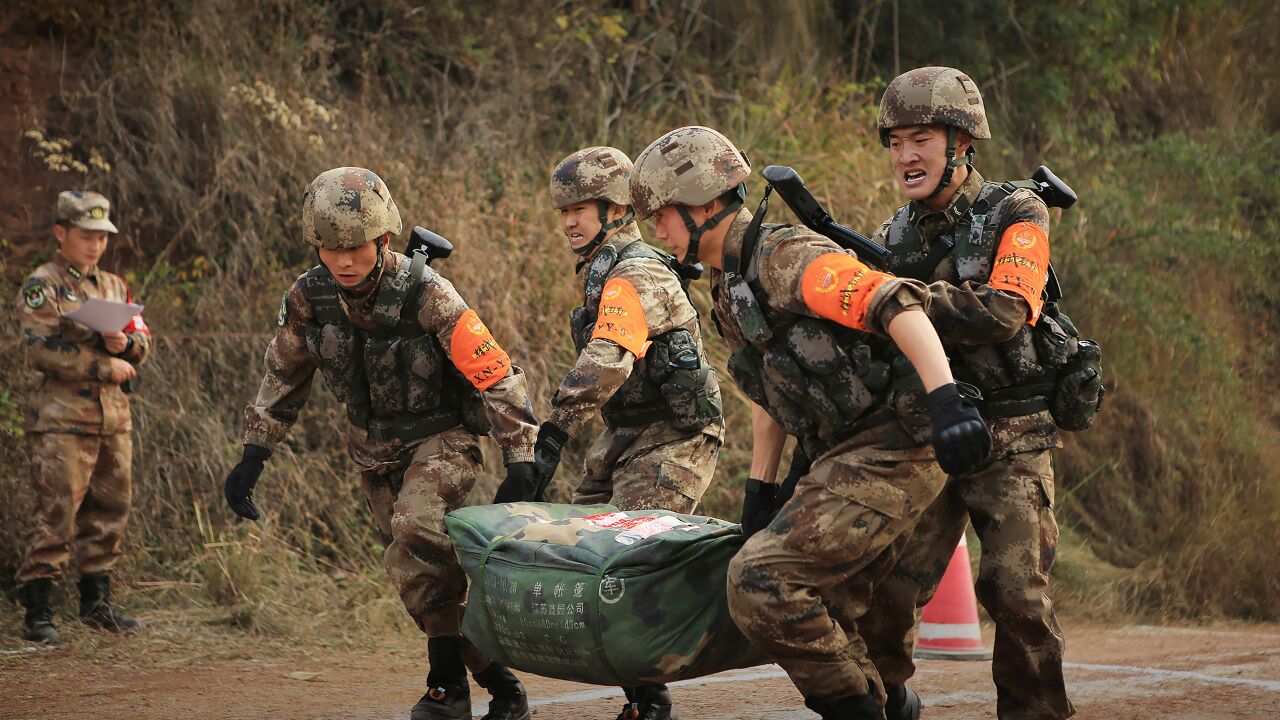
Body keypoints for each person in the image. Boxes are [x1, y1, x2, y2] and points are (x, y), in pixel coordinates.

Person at [629, 126, 992, 720]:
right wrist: (760, 491)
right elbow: (768, 390)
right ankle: (886, 703)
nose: (657, 232)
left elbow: (896, 303)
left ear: (701, 205)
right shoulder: (729, 281)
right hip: (840, 449)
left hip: (897, 440)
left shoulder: (786, 257)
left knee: (761, 581)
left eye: (662, 216)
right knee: (837, 610)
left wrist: (947, 400)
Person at [223, 167, 536, 720]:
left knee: (416, 528)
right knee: (421, 581)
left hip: (444, 438)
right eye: (329, 247)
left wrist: (521, 456)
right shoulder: (309, 296)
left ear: (383, 239)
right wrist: (255, 453)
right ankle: (503, 688)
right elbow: (283, 374)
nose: (342, 259)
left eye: (354, 246)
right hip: (374, 452)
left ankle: (446, 690)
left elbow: (495, 373)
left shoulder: (428, 293)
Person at [860, 66, 1077, 720]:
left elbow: (1009, 309)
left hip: (1012, 437)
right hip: (932, 434)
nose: (905, 156)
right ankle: (885, 700)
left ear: (960, 141)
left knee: (1015, 592)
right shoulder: (893, 234)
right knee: (888, 584)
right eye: (895, 142)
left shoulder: (1019, 209)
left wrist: (904, 298)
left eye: (919, 138)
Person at [500, 145, 725, 720]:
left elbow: (609, 357)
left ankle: (651, 699)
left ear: (617, 209)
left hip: (676, 435)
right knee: (586, 558)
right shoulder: (606, 267)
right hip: (625, 435)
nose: (572, 221)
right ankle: (642, 690)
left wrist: (552, 435)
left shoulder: (635, 270)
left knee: (627, 560)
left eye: (585, 208)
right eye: (565, 210)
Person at [14, 190, 153, 643]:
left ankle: (97, 603)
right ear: (61, 234)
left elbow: (143, 341)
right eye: (85, 235)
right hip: (61, 420)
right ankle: (38, 612)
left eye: (101, 237)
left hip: (114, 418)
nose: (95, 245)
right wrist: (101, 364)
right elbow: (39, 347)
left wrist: (126, 347)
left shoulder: (116, 286)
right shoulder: (44, 283)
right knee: (56, 514)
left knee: (110, 512)